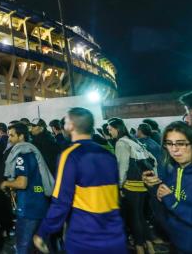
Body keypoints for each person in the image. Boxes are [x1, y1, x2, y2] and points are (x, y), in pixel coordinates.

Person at [33, 107, 126, 254]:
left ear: (71, 126)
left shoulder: (70, 155)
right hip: (115, 234)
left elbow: (61, 201)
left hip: (85, 237)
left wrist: (43, 232)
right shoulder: (108, 154)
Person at [1, 123, 53, 254]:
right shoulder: (34, 150)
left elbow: (22, 183)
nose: (9, 138)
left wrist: (6, 184)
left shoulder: (22, 154)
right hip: (40, 203)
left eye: (12, 135)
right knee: (41, 246)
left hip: (28, 207)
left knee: (23, 247)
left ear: (21, 136)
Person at [108, 117, 156, 254]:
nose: (110, 132)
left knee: (133, 217)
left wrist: (120, 185)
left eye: (110, 129)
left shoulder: (121, 143)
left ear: (117, 128)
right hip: (143, 185)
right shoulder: (134, 141)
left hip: (130, 186)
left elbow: (122, 167)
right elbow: (153, 160)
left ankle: (140, 248)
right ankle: (150, 247)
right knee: (140, 216)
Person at [142, 121, 192, 253]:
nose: (174, 149)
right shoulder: (174, 172)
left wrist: (172, 201)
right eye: (169, 144)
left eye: (181, 143)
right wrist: (153, 188)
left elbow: (173, 203)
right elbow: (163, 212)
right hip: (176, 244)